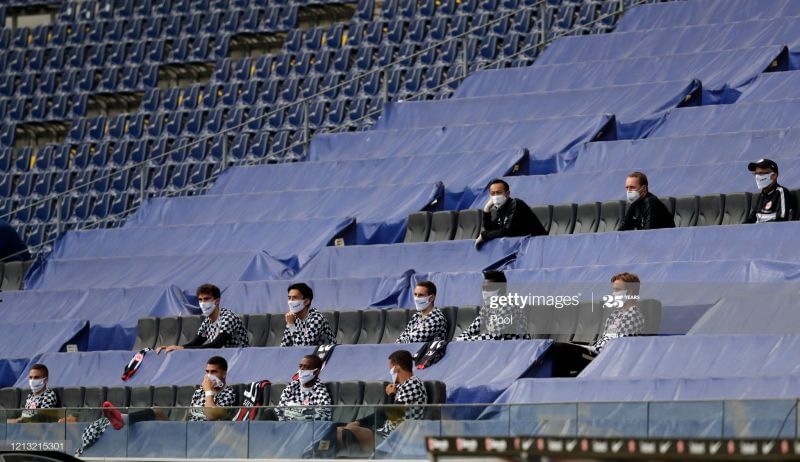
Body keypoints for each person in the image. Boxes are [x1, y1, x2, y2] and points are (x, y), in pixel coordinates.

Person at [76, 356, 237, 456]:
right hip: (186, 434)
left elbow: (211, 415)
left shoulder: (229, 393)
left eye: (214, 372)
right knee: (156, 411)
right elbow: (187, 415)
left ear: (224, 374)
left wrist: (209, 392)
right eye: (207, 371)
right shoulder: (198, 392)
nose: (209, 376)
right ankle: (123, 419)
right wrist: (178, 427)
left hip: (205, 438)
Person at [336, 350, 427, 453]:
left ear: (397, 367)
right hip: (383, 432)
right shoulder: (401, 386)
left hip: (396, 437)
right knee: (339, 431)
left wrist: (391, 395)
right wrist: (358, 422)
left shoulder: (413, 384)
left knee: (349, 432)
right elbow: (383, 413)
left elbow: (393, 414)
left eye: (390, 368)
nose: (390, 371)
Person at [157, 283, 249, 353]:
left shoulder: (228, 318)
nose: (203, 303)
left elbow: (216, 345)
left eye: (206, 299)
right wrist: (173, 348)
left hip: (240, 358)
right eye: (200, 300)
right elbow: (195, 343)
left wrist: (182, 348)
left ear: (217, 301)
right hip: (224, 360)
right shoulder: (207, 322)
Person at [455, 270, 527, 341]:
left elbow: (493, 336)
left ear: (501, 290)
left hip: (517, 349)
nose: (485, 293)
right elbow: (471, 330)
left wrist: (463, 340)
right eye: (483, 289)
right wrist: (457, 340)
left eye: (489, 289)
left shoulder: (508, 306)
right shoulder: (488, 308)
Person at [475, 179, 547, 249]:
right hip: (525, 248)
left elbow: (508, 232)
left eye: (499, 192)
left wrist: (484, 235)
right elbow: (490, 229)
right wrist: (486, 209)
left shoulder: (516, 204)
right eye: (492, 193)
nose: (495, 196)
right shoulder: (501, 209)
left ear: (507, 194)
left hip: (539, 246)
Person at [592, 272, 646, 353]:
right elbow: (606, 339)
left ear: (629, 292)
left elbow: (617, 348)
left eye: (617, 290)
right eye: (613, 290)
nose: (613, 294)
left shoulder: (632, 316)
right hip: (596, 352)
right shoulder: (615, 314)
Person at [277, 354, 332, 421]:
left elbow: (325, 415)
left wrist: (299, 418)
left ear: (316, 371)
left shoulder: (320, 390)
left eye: (306, 367)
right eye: (300, 366)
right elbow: (280, 409)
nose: (301, 370)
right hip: (286, 426)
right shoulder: (292, 386)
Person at [744, 158, 794, 223]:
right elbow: (751, 219)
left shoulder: (781, 192)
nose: (757, 177)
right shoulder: (761, 195)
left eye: (761, 173)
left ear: (773, 176)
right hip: (758, 232)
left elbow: (782, 220)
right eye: (756, 174)